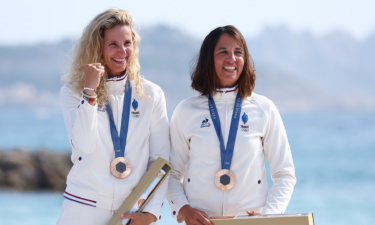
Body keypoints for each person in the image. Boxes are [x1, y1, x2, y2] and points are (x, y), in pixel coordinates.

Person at [166, 25, 296, 225]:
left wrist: (268, 216)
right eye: (223, 52)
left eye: (238, 52)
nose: (232, 59)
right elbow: (172, 173)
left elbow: (284, 174)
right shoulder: (186, 111)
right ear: (209, 59)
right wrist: (184, 209)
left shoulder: (264, 109)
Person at [57, 8, 169, 225]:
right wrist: (89, 91)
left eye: (127, 43)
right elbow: (84, 144)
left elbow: (160, 160)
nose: (122, 51)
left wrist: (151, 212)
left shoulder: (151, 94)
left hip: (131, 211)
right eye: (113, 44)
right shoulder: (73, 92)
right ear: (97, 48)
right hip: (83, 208)